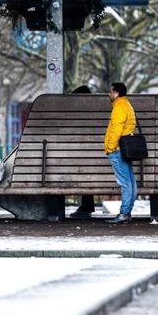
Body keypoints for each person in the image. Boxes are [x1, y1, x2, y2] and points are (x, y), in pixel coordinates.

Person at [104, 82, 137, 224]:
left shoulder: (119, 108)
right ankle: (127, 212)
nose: (109, 94)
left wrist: (110, 148)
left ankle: (124, 213)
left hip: (117, 150)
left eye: (111, 92)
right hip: (124, 149)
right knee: (130, 182)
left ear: (116, 93)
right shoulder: (127, 105)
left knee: (125, 183)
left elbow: (116, 130)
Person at [69, 85, 97, 218]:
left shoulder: (76, 117)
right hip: (103, 160)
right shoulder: (99, 114)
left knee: (82, 166)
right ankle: (87, 206)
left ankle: (86, 206)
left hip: (83, 162)